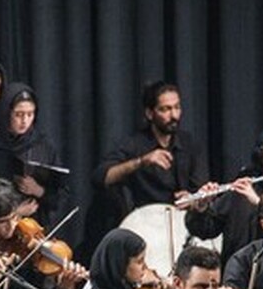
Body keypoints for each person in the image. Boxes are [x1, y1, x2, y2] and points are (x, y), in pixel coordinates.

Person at [87, 81, 208, 255]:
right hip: (146, 228)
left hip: (184, 226)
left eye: (177, 107)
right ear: (150, 113)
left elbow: (202, 186)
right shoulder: (134, 144)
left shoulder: (190, 144)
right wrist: (141, 161)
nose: (174, 115)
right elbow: (100, 177)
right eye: (165, 109)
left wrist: (193, 197)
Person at [185, 127, 263, 266]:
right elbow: (205, 230)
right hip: (238, 274)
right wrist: (201, 206)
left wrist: (259, 202)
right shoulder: (242, 190)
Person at [0, 82, 69, 227]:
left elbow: (61, 195)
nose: (24, 121)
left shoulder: (43, 144)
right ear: (6, 112)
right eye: (18, 114)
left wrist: (38, 190)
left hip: (34, 226)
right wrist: (14, 212)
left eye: (30, 114)